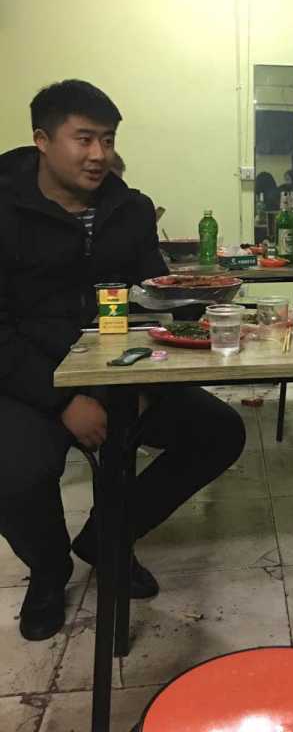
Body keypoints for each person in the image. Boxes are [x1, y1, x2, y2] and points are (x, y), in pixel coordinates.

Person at [0, 80, 246, 642]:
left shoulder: (129, 209)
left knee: (219, 432)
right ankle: (49, 569)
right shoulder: (5, 209)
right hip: (29, 381)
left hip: (119, 370)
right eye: (83, 138)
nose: (99, 155)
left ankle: (108, 538)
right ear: (42, 140)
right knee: (14, 469)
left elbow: (150, 297)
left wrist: (148, 377)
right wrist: (64, 399)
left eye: (108, 140)